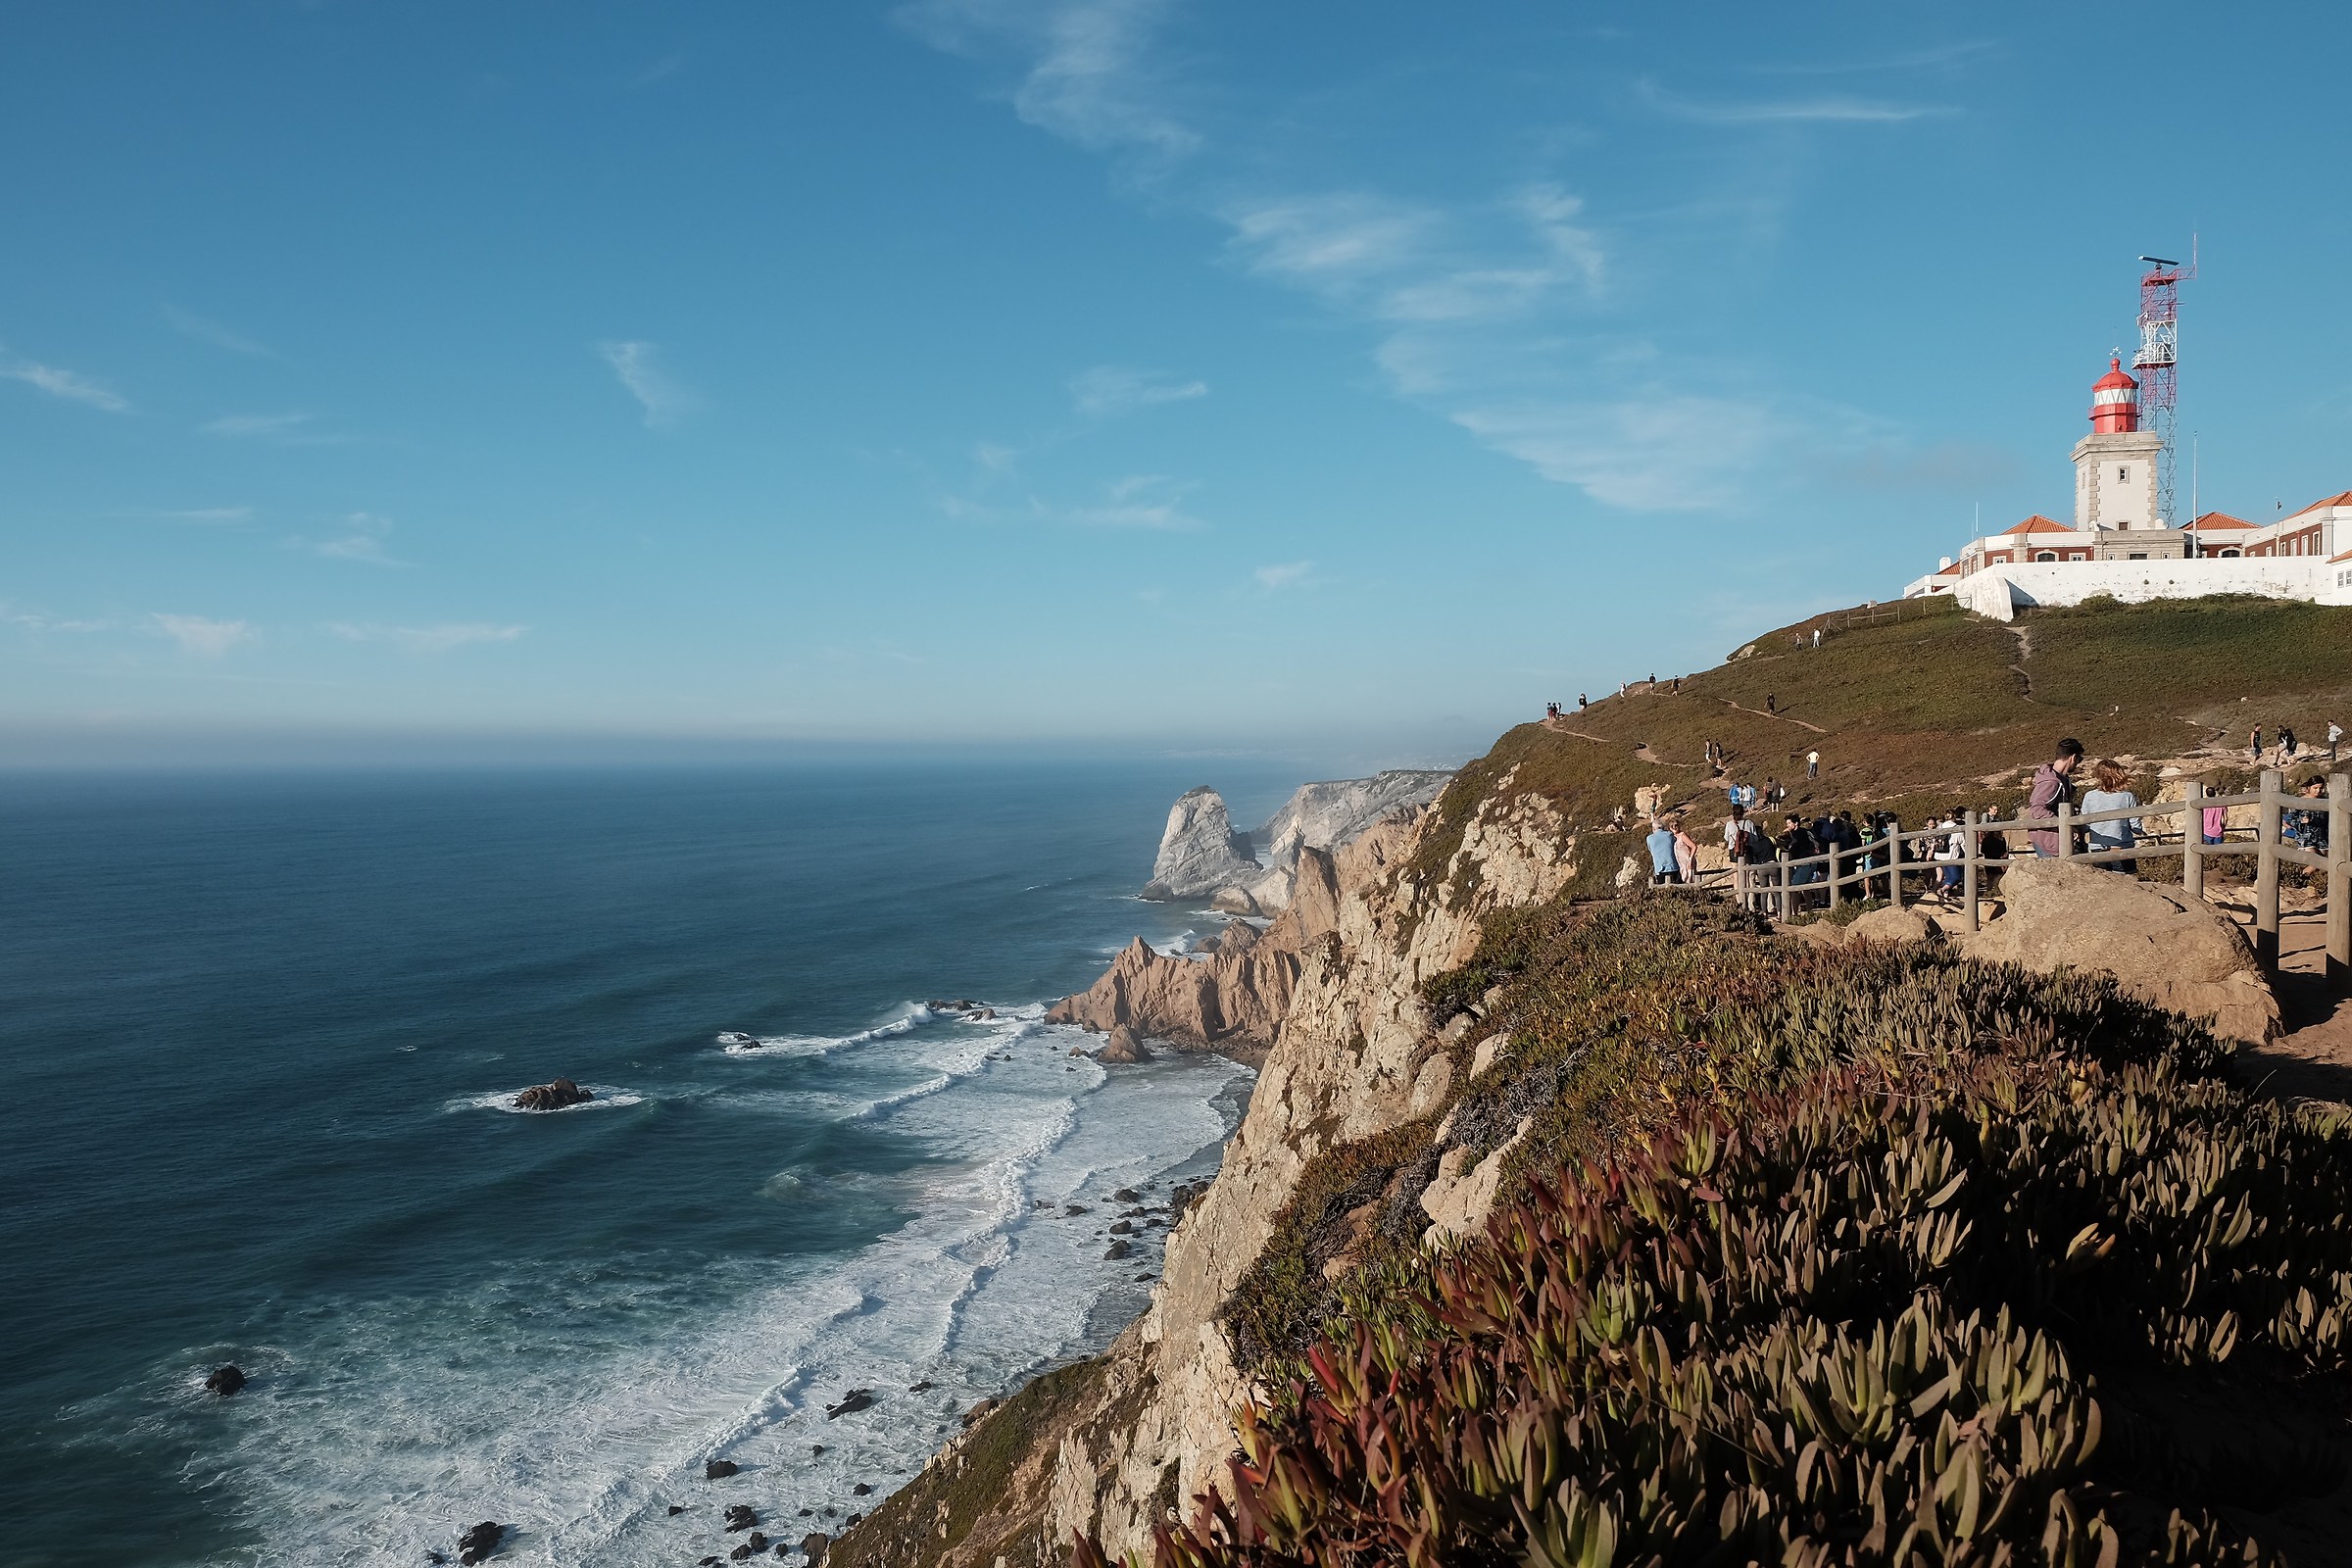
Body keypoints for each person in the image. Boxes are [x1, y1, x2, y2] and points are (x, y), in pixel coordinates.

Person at [2078, 759, 2144, 874]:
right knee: (2127, 884)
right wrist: (2141, 831)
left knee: (2102, 885)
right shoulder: (2127, 796)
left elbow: (2085, 825)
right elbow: (2135, 826)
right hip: (2121, 848)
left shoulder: (2089, 796)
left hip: (2097, 848)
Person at [2025, 737, 2084, 858]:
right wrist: (2063, 823)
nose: (2078, 763)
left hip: (2054, 840)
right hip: (2049, 843)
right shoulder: (2051, 783)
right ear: (2073, 757)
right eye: (2079, 759)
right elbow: (2037, 809)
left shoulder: (2062, 780)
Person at [2286, 777, 2330, 856]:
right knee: (2314, 864)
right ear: (2309, 787)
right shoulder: (2300, 801)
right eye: (2315, 788)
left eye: (2320, 788)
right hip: (2306, 838)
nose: (2318, 790)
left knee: (2322, 864)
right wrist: (2301, 821)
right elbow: (2290, 819)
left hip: (2322, 838)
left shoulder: (2325, 801)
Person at [1645, 817, 1680, 885]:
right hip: (1673, 867)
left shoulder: (1649, 838)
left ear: (1653, 828)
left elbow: (1650, 849)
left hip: (1659, 869)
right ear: (1663, 827)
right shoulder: (1669, 835)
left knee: (1662, 890)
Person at [1672, 819, 1700, 886]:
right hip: (1682, 864)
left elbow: (1694, 846)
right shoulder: (1674, 837)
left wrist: (1690, 859)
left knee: (1689, 882)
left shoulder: (1682, 835)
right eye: (1672, 826)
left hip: (1688, 862)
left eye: (1676, 825)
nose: (1674, 827)